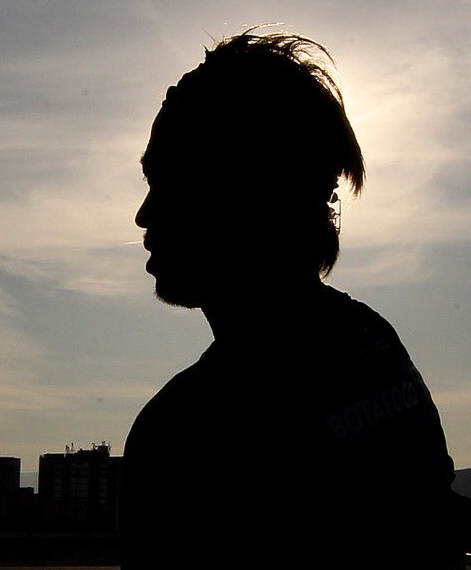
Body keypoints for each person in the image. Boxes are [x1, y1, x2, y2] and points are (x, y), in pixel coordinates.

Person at [121, 32, 468, 569]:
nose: (144, 215)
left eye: (168, 183)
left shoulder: (185, 436)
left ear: (239, 197)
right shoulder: (371, 346)